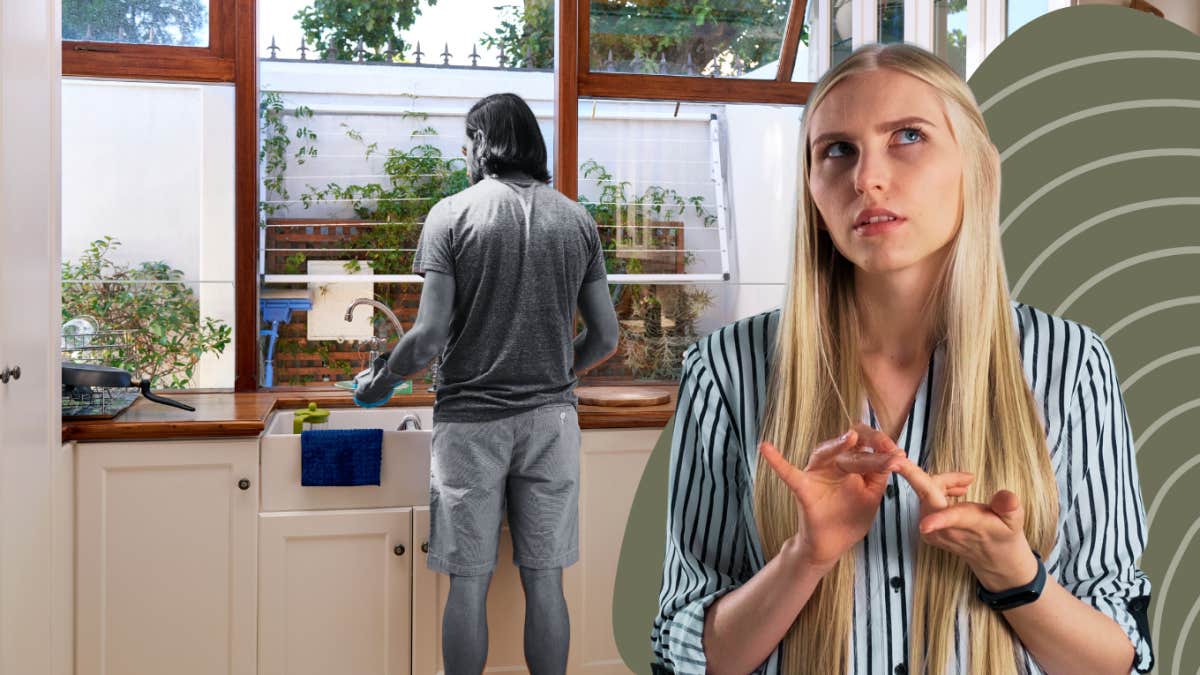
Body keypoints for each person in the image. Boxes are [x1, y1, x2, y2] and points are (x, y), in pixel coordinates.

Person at [650, 43, 1154, 675]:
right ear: (811, 187)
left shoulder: (1072, 364)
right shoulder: (725, 370)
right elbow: (686, 655)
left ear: (976, 167)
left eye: (908, 136)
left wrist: (1015, 576)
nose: (866, 178)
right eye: (837, 150)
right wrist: (804, 557)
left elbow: (1121, 659)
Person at [353, 92, 620, 675]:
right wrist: (549, 370)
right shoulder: (576, 220)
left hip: (471, 426)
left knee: (468, 585)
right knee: (545, 581)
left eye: (468, 143)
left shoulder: (451, 215)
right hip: (552, 424)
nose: (466, 155)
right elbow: (605, 338)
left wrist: (379, 381)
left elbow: (426, 339)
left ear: (484, 143)